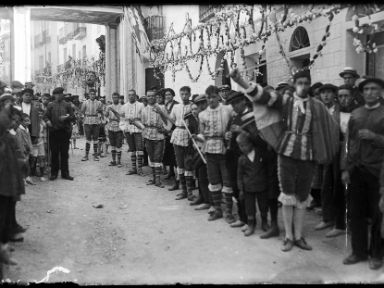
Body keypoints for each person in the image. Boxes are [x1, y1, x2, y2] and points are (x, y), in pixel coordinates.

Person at [231, 69, 339, 252]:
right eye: (300, 83)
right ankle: (289, 237)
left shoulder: (317, 105)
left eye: (306, 83)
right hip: (286, 150)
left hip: (308, 154)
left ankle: (299, 236)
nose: (303, 86)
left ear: (310, 84)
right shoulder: (286, 100)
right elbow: (263, 97)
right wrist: (241, 80)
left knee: (302, 196)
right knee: (288, 194)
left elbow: (327, 129)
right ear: (294, 83)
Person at [341, 77, 384, 270]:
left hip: (378, 171)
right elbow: (348, 144)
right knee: (355, 213)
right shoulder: (356, 113)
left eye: (374, 89)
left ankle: (377, 254)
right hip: (356, 169)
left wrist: (375, 137)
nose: (369, 92)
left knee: (378, 214)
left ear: (380, 92)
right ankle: (358, 252)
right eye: (366, 89)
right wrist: (345, 168)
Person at [226, 90, 280, 238]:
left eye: (237, 102)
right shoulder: (234, 116)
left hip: (256, 159)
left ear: (244, 101)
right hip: (238, 157)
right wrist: (229, 135)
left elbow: (260, 140)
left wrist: (241, 130)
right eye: (232, 104)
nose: (235, 106)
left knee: (262, 193)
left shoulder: (252, 115)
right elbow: (231, 133)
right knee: (241, 190)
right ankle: (244, 220)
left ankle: (264, 221)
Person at [195, 86, 235, 224]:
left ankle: (228, 211)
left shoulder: (228, 109)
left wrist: (231, 133)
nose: (211, 100)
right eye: (208, 97)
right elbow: (202, 132)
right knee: (213, 180)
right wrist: (198, 138)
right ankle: (217, 208)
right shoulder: (202, 114)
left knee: (227, 180)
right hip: (209, 149)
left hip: (224, 148)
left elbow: (235, 122)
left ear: (218, 96)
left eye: (213, 96)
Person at [0, 98, 26, 267]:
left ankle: (3, 247)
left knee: (6, 212)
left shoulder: (8, 137)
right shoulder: (4, 137)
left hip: (8, 181)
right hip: (3, 182)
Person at [134, 88, 170, 187]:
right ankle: (154, 178)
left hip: (159, 135)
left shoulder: (162, 108)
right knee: (152, 157)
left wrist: (164, 126)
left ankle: (158, 180)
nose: (151, 98)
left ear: (156, 97)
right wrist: (140, 126)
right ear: (146, 97)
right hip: (148, 135)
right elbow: (138, 121)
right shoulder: (144, 109)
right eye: (149, 96)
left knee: (158, 157)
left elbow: (168, 122)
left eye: (153, 96)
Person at [236, 132, 269, 236]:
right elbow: (239, 176)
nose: (242, 148)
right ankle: (251, 224)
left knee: (263, 205)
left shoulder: (260, 154)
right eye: (240, 146)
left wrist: (267, 183)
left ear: (251, 144)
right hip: (248, 188)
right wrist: (241, 189)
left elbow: (267, 170)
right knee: (249, 208)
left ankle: (264, 222)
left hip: (261, 186)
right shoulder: (241, 159)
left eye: (244, 145)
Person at [166, 86, 194, 200]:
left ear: (190, 94)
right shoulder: (176, 107)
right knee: (179, 163)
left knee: (188, 162)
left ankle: (190, 191)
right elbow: (171, 119)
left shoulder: (193, 106)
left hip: (188, 135)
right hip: (178, 133)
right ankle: (183, 190)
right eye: (182, 94)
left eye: (186, 94)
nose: (184, 96)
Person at [44, 87, 75, 181]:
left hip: (64, 132)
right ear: (54, 95)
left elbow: (73, 117)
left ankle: (65, 174)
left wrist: (66, 118)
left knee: (64, 153)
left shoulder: (67, 105)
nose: (58, 96)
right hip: (53, 132)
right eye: (56, 94)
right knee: (54, 153)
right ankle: (54, 173)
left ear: (62, 94)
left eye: (59, 94)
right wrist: (48, 121)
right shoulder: (50, 105)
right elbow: (45, 116)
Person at [122, 89, 145, 175]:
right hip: (128, 129)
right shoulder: (124, 106)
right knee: (132, 149)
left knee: (139, 149)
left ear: (135, 96)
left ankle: (140, 169)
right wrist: (124, 128)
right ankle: (133, 168)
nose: (131, 96)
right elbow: (122, 119)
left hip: (138, 129)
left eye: (133, 95)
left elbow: (144, 117)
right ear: (128, 96)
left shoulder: (141, 105)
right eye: (129, 95)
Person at [80, 89, 103, 161]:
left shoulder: (99, 103)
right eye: (91, 94)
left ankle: (95, 155)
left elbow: (101, 112)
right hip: (87, 121)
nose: (92, 95)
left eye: (93, 94)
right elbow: (82, 112)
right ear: (89, 95)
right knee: (88, 138)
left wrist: (101, 118)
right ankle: (86, 155)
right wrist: (82, 119)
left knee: (96, 138)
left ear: (95, 94)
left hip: (96, 121)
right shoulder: (85, 103)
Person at [163, 88, 179, 186]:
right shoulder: (165, 105)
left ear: (173, 95)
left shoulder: (176, 105)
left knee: (174, 153)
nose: (168, 96)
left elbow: (176, 118)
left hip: (173, 130)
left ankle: (177, 175)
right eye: (166, 95)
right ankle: (171, 172)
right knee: (168, 152)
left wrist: (172, 129)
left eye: (169, 94)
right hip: (166, 131)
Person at [106, 92, 124, 167]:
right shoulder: (109, 106)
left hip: (119, 127)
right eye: (113, 97)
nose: (115, 99)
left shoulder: (122, 107)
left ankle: (119, 161)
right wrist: (105, 112)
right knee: (112, 144)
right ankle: (113, 161)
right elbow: (105, 116)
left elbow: (121, 118)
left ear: (118, 98)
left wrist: (113, 111)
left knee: (118, 144)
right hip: (111, 126)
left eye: (116, 97)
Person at [32, 108, 48, 181]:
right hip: (34, 141)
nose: (40, 115)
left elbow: (44, 132)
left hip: (41, 140)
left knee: (41, 157)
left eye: (41, 113)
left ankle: (41, 174)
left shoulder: (42, 122)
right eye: (38, 114)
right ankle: (31, 173)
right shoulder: (32, 121)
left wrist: (45, 141)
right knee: (33, 158)